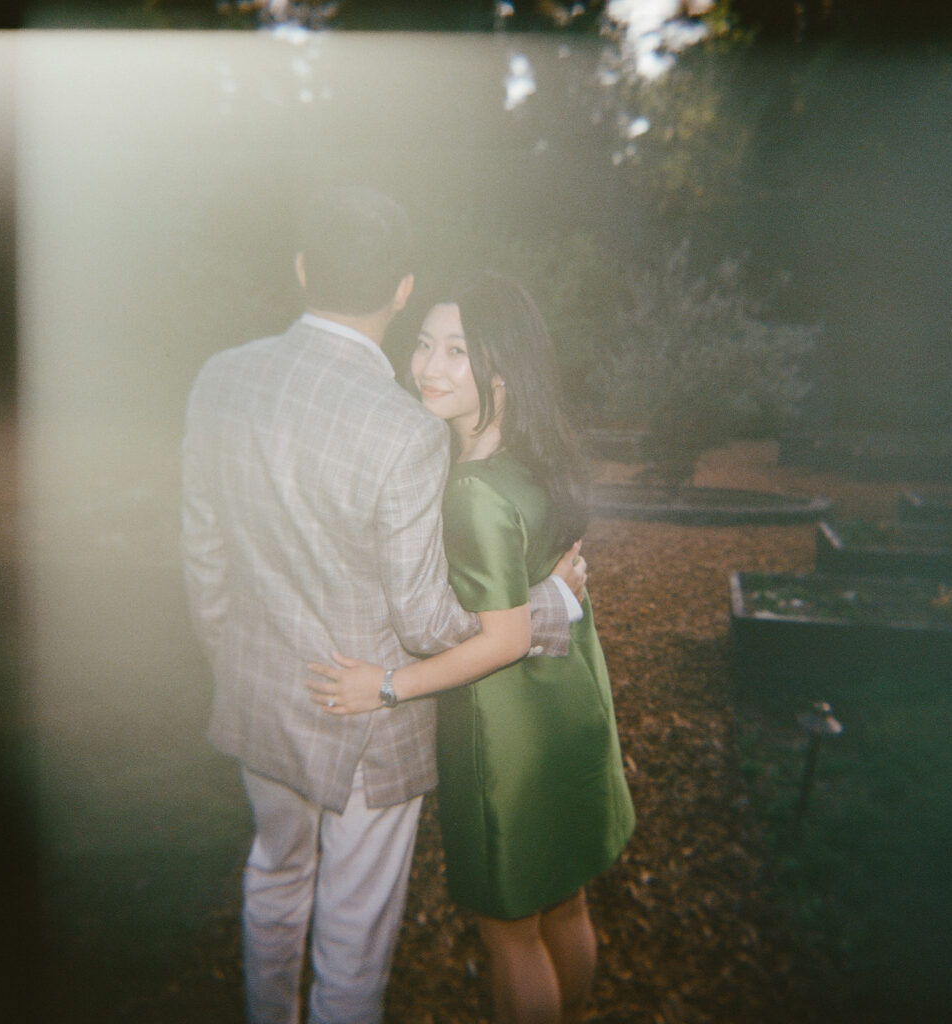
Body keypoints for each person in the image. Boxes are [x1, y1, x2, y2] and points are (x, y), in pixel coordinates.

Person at [179, 187, 584, 1024]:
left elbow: (202, 553)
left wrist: (233, 655)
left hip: (260, 695)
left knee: (273, 873)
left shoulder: (220, 380)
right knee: (354, 936)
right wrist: (548, 604)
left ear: (301, 270)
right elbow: (424, 620)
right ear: (402, 291)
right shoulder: (404, 429)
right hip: (369, 726)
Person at [308, 272, 635, 1024]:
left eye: (457, 351)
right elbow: (545, 597)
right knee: (563, 903)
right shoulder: (539, 456)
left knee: (510, 932)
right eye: (423, 344)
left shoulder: (472, 492)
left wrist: (383, 685)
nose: (428, 367)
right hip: (571, 706)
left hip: (506, 736)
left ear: (503, 365)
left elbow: (503, 639)